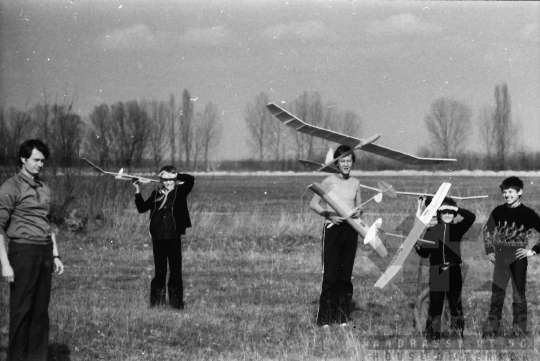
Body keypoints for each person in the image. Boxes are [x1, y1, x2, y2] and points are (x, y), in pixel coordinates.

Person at [0, 139, 65, 361]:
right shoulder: (11, 187)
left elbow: (48, 223)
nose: (40, 165)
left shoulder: (44, 187)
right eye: (36, 160)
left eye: (42, 161)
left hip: (45, 252)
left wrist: (55, 254)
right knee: (21, 310)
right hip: (22, 252)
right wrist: (5, 263)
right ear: (23, 159)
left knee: (40, 312)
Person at [309, 145, 362, 327]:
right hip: (332, 230)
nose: (346, 164)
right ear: (336, 163)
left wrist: (357, 213)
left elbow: (359, 208)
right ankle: (323, 319)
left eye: (349, 161)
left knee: (345, 276)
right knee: (330, 276)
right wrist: (329, 214)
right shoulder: (328, 181)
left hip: (350, 231)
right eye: (342, 161)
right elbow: (314, 204)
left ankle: (342, 317)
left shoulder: (356, 183)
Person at [482, 176, 540, 337]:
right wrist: (489, 250)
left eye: (511, 192)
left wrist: (532, 251)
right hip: (500, 259)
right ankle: (492, 331)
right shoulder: (498, 211)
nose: (507, 195)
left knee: (518, 297)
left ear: (519, 192)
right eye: (505, 192)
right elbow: (487, 230)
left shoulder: (528, 213)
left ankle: (519, 332)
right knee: (497, 296)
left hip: (518, 260)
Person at [133, 165, 194, 309]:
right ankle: (156, 304)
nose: (167, 182)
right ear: (161, 180)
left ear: (175, 179)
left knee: (175, 272)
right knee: (159, 272)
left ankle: (176, 305)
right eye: (164, 179)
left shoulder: (180, 192)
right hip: (158, 237)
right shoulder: (156, 194)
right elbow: (141, 208)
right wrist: (137, 190)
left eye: (170, 179)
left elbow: (190, 179)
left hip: (173, 236)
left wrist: (175, 175)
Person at [414, 197, 476, 340]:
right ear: (438, 213)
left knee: (455, 304)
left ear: (454, 214)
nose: (447, 215)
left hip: (453, 271)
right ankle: (433, 335)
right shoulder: (432, 230)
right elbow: (425, 252)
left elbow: (471, 217)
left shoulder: (458, 229)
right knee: (435, 305)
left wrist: (456, 208)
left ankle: (458, 334)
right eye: (444, 212)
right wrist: (417, 245)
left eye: (450, 212)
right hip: (437, 271)